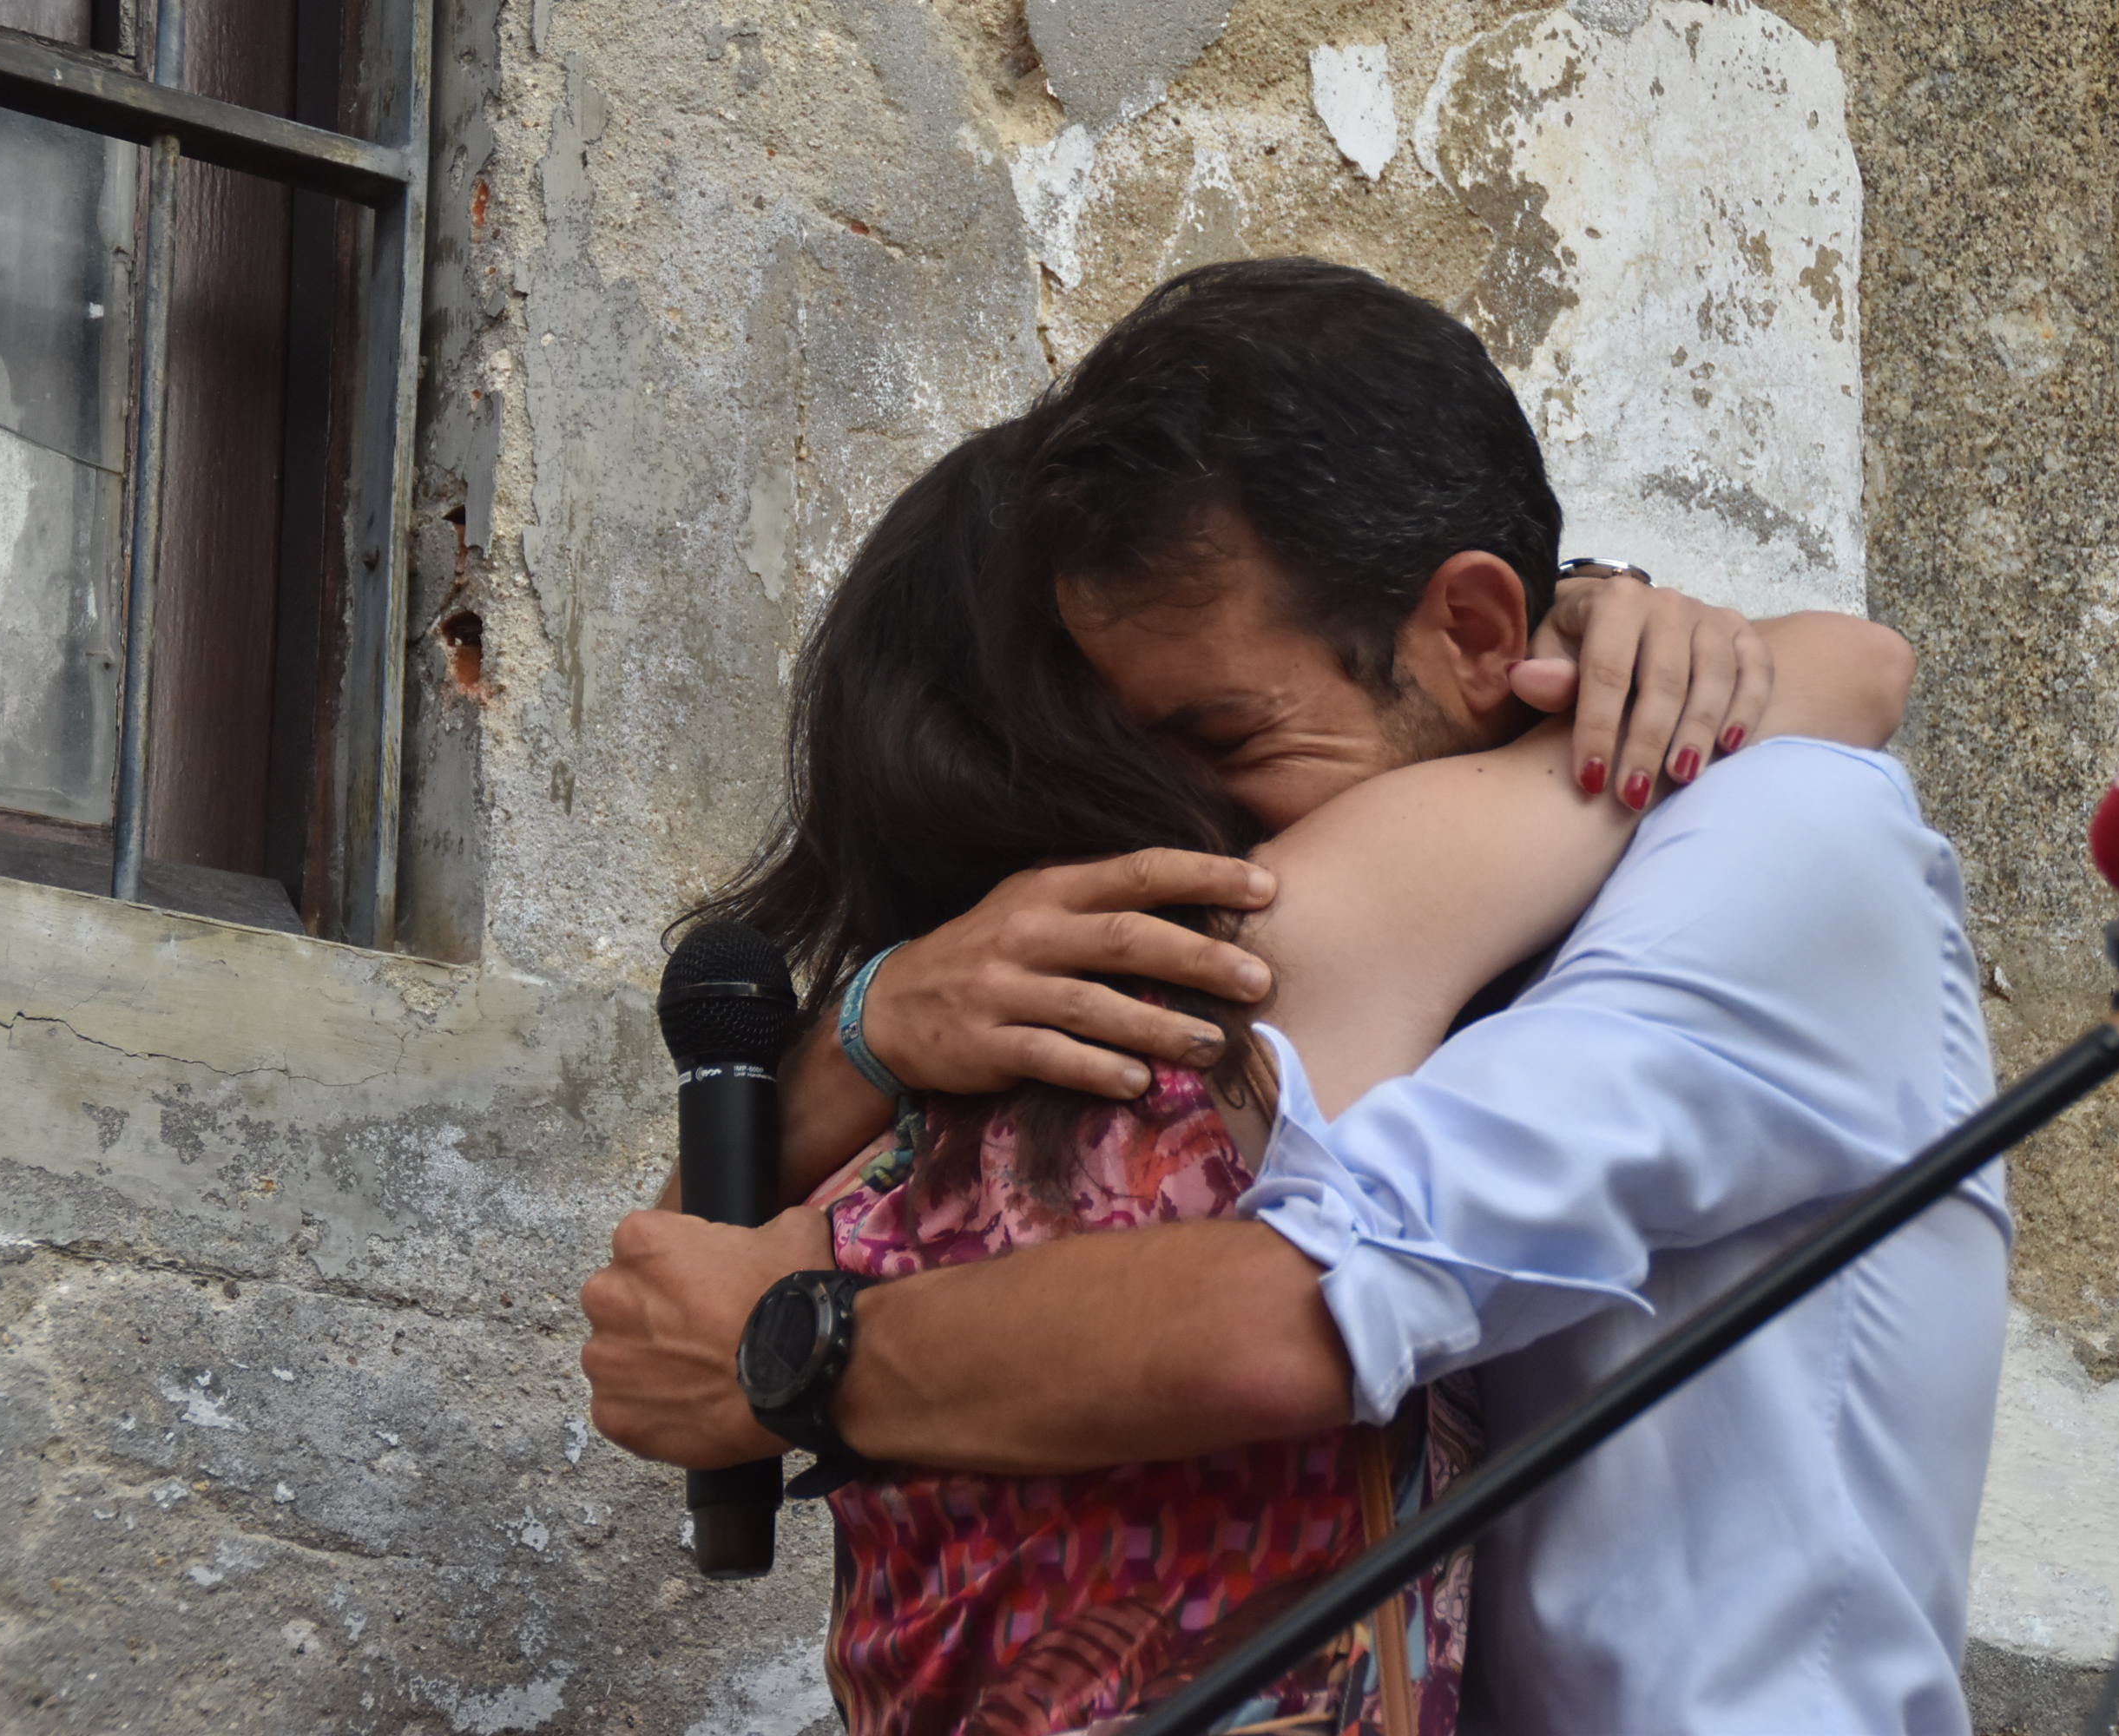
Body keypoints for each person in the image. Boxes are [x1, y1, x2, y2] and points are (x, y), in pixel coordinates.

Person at [583, 259, 2008, 1734]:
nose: (1198, 811)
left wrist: (804, 1344)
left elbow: (1298, 1313)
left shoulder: (1768, 837)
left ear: (1470, 630)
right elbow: (673, 1317)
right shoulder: (1207, 1013)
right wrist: (883, 1018)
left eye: (1217, 730)